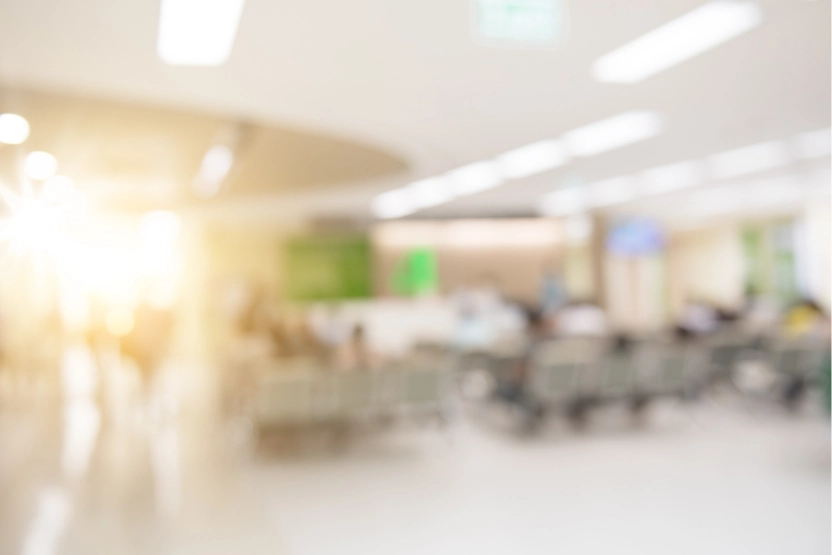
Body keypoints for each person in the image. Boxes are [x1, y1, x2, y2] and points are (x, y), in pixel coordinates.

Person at [494, 309, 547, 432]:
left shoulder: (532, 345)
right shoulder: (550, 342)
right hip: (548, 384)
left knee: (503, 386)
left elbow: (524, 370)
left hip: (531, 385)